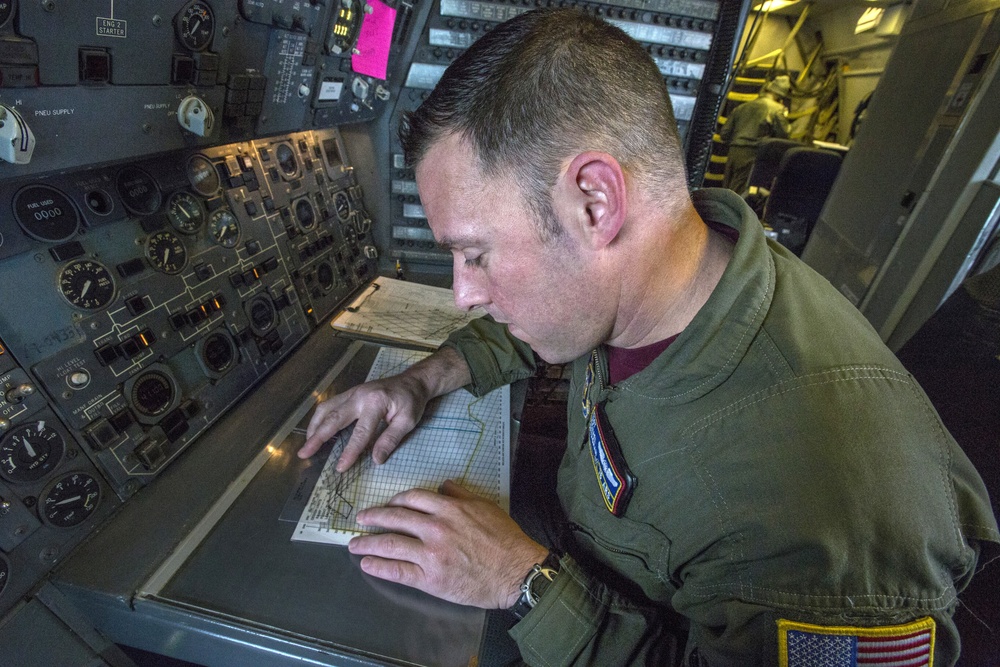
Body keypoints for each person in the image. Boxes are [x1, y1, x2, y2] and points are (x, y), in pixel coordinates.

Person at [298, 9, 999, 665]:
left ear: (595, 203)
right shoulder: (672, 270)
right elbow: (540, 325)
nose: (464, 293)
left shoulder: (827, 513)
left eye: (476, 254)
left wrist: (524, 581)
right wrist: (420, 379)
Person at [719, 75, 793, 196]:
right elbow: (784, 134)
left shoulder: (742, 107)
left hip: (734, 151)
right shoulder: (777, 109)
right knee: (739, 192)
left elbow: (724, 134)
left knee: (727, 188)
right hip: (752, 153)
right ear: (781, 95)